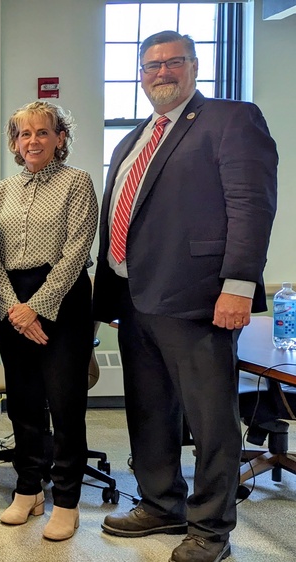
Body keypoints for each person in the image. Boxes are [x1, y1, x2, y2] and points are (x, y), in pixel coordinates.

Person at [93, 31, 277, 562]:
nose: (161, 73)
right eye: (151, 66)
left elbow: (251, 204)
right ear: (140, 75)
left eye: (173, 62)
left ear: (195, 66)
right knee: (149, 410)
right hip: (135, 297)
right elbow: (120, 220)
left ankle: (211, 528)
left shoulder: (231, 119)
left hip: (200, 297)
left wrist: (238, 286)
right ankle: (160, 503)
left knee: (210, 416)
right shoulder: (133, 139)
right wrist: (109, 297)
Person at [0, 101, 97, 541]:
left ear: (60, 138)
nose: (32, 140)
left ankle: (66, 500)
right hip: (12, 301)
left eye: (42, 132)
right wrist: (15, 307)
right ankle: (28, 488)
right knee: (24, 404)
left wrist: (39, 306)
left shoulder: (77, 183)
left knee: (66, 405)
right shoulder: (1, 191)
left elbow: (77, 252)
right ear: (15, 142)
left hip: (64, 300)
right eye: (23, 133)